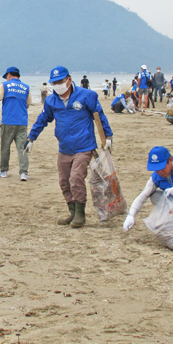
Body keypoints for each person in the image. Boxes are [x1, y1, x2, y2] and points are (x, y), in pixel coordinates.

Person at [26, 66, 113, 228]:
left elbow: (99, 116)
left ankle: (80, 214)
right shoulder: (51, 101)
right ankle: (72, 212)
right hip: (64, 147)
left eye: (60, 81)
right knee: (64, 181)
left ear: (69, 80)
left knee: (76, 178)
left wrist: (108, 136)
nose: (58, 85)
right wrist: (31, 138)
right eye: (55, 82)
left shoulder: (87, 96)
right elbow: (43, 119)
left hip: (84, 146)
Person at [0, 67, 32, 181]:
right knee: (22, 148)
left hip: (8, 121)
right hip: (22, 122)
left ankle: (3, 171)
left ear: (10, 75)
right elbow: (27, 105)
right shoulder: (26, 87)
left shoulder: (5, 85)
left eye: (6, 76)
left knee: (5, 147)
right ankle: (24, 173)